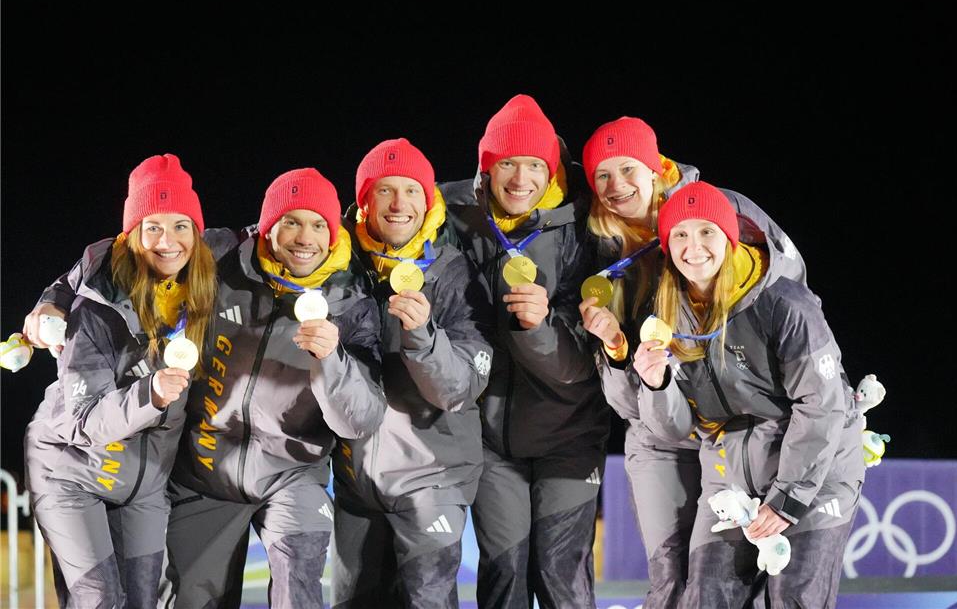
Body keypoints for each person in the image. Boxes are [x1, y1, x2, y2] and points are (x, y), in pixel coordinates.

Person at [26, 167, 385, 608]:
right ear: (268, 228)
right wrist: (53, 299)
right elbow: (108, 255)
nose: (304, 237)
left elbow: (361, 419)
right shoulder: (221, 254)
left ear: (333, 234)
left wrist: (333, 361)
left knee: (300, 583)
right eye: (290, 221)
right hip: (202, 472)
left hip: (290, 471)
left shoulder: (351, 301)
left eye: (318, 225)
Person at [578, 117, 807, 607]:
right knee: (668, 580)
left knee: (726, 579)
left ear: (656, 167)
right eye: (602, 175)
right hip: (660, 436)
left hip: (732, 427)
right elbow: (629, 404)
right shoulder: (604, 255)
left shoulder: (722, 211)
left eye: (627, 168)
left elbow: (792, 300)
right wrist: (618, 352)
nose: (616, 186)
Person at [630, 181, 863, 608]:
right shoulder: (665, 313)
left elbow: (821, 405)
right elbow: (675, 428)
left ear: (730, 237)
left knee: (793, 597)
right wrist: (656, 385)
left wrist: (787, 500)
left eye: (707, 232)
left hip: (815, 474)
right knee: (706, 597)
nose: (693, 246)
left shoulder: (785, 304)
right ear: (666, 244)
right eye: (680, 234)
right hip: (730, 476)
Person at [24, 154, 216, 608]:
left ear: (198, 234)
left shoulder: (208, 276)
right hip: (71, 471)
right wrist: (149, 395)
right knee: (100, 598)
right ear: (131, 237)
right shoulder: (94, 309)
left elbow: (273, 240)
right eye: (152, 227)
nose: (168, 241)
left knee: (145, 600)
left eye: (181, 226)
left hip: (144, 484)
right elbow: (81, 422)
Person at [441, 95, 608, 608]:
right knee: (503, 573)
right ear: (485, 169)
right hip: (490, 439)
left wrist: (538, 327)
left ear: (552, 168)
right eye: (506, 163)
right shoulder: (450, 216)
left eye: (534, 164)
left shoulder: (586, 228)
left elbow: (583, 363)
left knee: (561, 573)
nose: (519, 178)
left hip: (570, 433)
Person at [331, 138, 492, 608]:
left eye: (411, 191)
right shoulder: (338, 265)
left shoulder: (457, 274)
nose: (399, 204)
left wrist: (421, 334)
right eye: (385, 190)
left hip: (432, 476)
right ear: (363, 201)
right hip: (356, 479)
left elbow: (459, 389)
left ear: (429, 201)